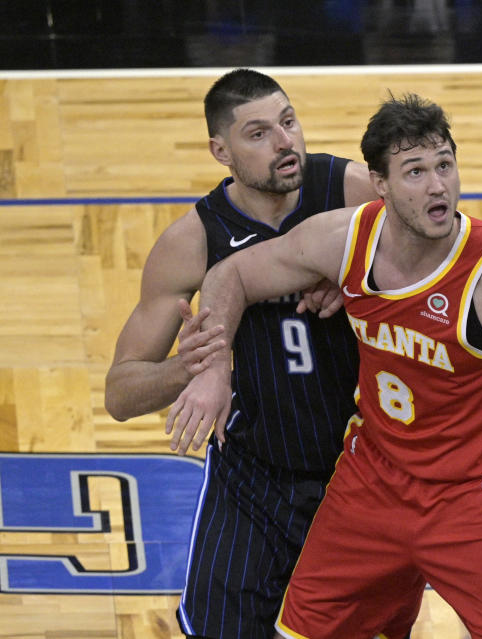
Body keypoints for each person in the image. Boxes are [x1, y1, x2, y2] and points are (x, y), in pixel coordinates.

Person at [164, 93, 482, 639]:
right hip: (372, 480)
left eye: (445, 165)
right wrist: (213, 368)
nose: (437, 186)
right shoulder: (344, 240)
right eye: (416, 171)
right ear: (380, 184)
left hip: (480, 497)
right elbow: (231, 274)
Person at [104, 68, 380, 639]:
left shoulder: (352, 193)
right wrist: (199, 364)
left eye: (288, 122)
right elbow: (121, 394)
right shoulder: (194, 240)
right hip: (253, 474)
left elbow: (449, 252)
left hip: (359, 468)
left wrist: (361, 278)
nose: (285, 143)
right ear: (220, 151)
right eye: (258, 134)